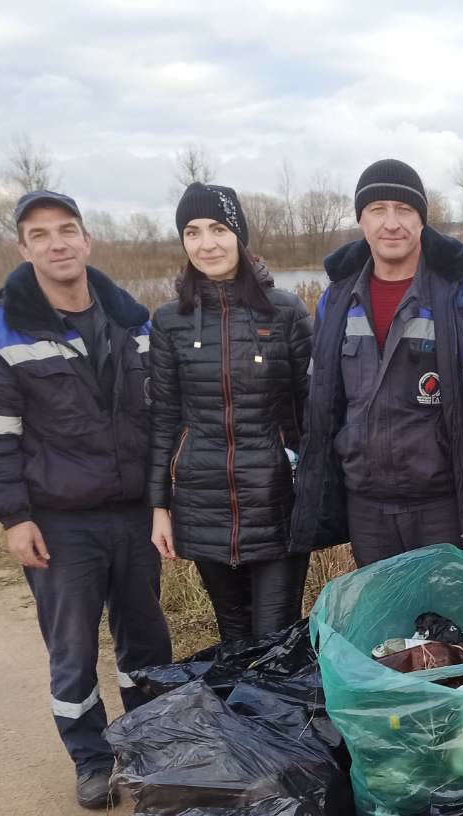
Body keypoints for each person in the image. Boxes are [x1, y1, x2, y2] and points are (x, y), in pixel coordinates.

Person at [0, 190, 172, 810]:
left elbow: (161, 417)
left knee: (146, 641)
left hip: (132, 514)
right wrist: (13, 516)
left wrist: (165, 496)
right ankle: (92, 758)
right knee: (73, 648)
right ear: (23, 250)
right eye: (41, 234)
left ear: (86, 240)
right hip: (57, 521)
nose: (57, 243)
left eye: (67, 230)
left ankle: (151, 743)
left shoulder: (134, 322)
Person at [289, 159, 463, 565]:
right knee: (385, 624)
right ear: (361, 220)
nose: (392, 223)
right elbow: (321, 404)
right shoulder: (335, 301)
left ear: (422, 219)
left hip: (445, 503)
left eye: (404, 210)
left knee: (447, 624)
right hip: (366, 506)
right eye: (377, 210)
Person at [147, 182, 313, 641]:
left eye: (218, 229)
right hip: (202, 507)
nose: (207, 243)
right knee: (234, 640)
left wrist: (314, 490)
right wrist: (160, 506)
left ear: (239, 234)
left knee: (275, 640)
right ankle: (239, 714)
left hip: (276, 504)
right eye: (193, 232)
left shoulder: (285, 312)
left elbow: (310, 411)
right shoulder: (168, 321)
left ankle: (273, 714)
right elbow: (163, 420)